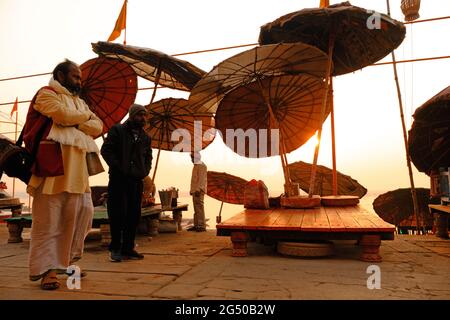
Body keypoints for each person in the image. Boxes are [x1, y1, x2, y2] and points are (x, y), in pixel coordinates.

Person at [27, 59, 103, 290]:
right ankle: (47, 272)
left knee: (82, 216)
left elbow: (98, 126)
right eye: (75, 77)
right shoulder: (46, 94)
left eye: (80, 77)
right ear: (60, 75)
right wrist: (81, 119)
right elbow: (61, 115)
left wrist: (75, 119)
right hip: (52, 171)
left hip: (78, 173)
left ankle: (66, 262)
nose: (79, 81)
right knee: (49, 222)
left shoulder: (79, 103)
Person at [101, 104, 152, 262]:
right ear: (131, 115)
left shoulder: (145, 137)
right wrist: (119, 167)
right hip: (118, 179)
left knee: (133, 215)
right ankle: (115, 248)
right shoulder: (117, 130)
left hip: (136, 180)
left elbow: (148, 157)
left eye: (144, 115)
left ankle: (128, 248)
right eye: (139, 115)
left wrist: (144, 171)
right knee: (117, 214)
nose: (142, 118)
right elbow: (106, 151)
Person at [188, 151, 207, 232]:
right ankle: (197, 225)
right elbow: (194, 180)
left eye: (192, 158)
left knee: (199, 207)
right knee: (196, 208)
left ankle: (201, 225)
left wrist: (198, 190)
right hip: (195, 190)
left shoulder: (202, 166)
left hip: (199, 190)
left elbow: (202, 180)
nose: (191, 159)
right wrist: (192, 190)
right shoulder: (196, 166)